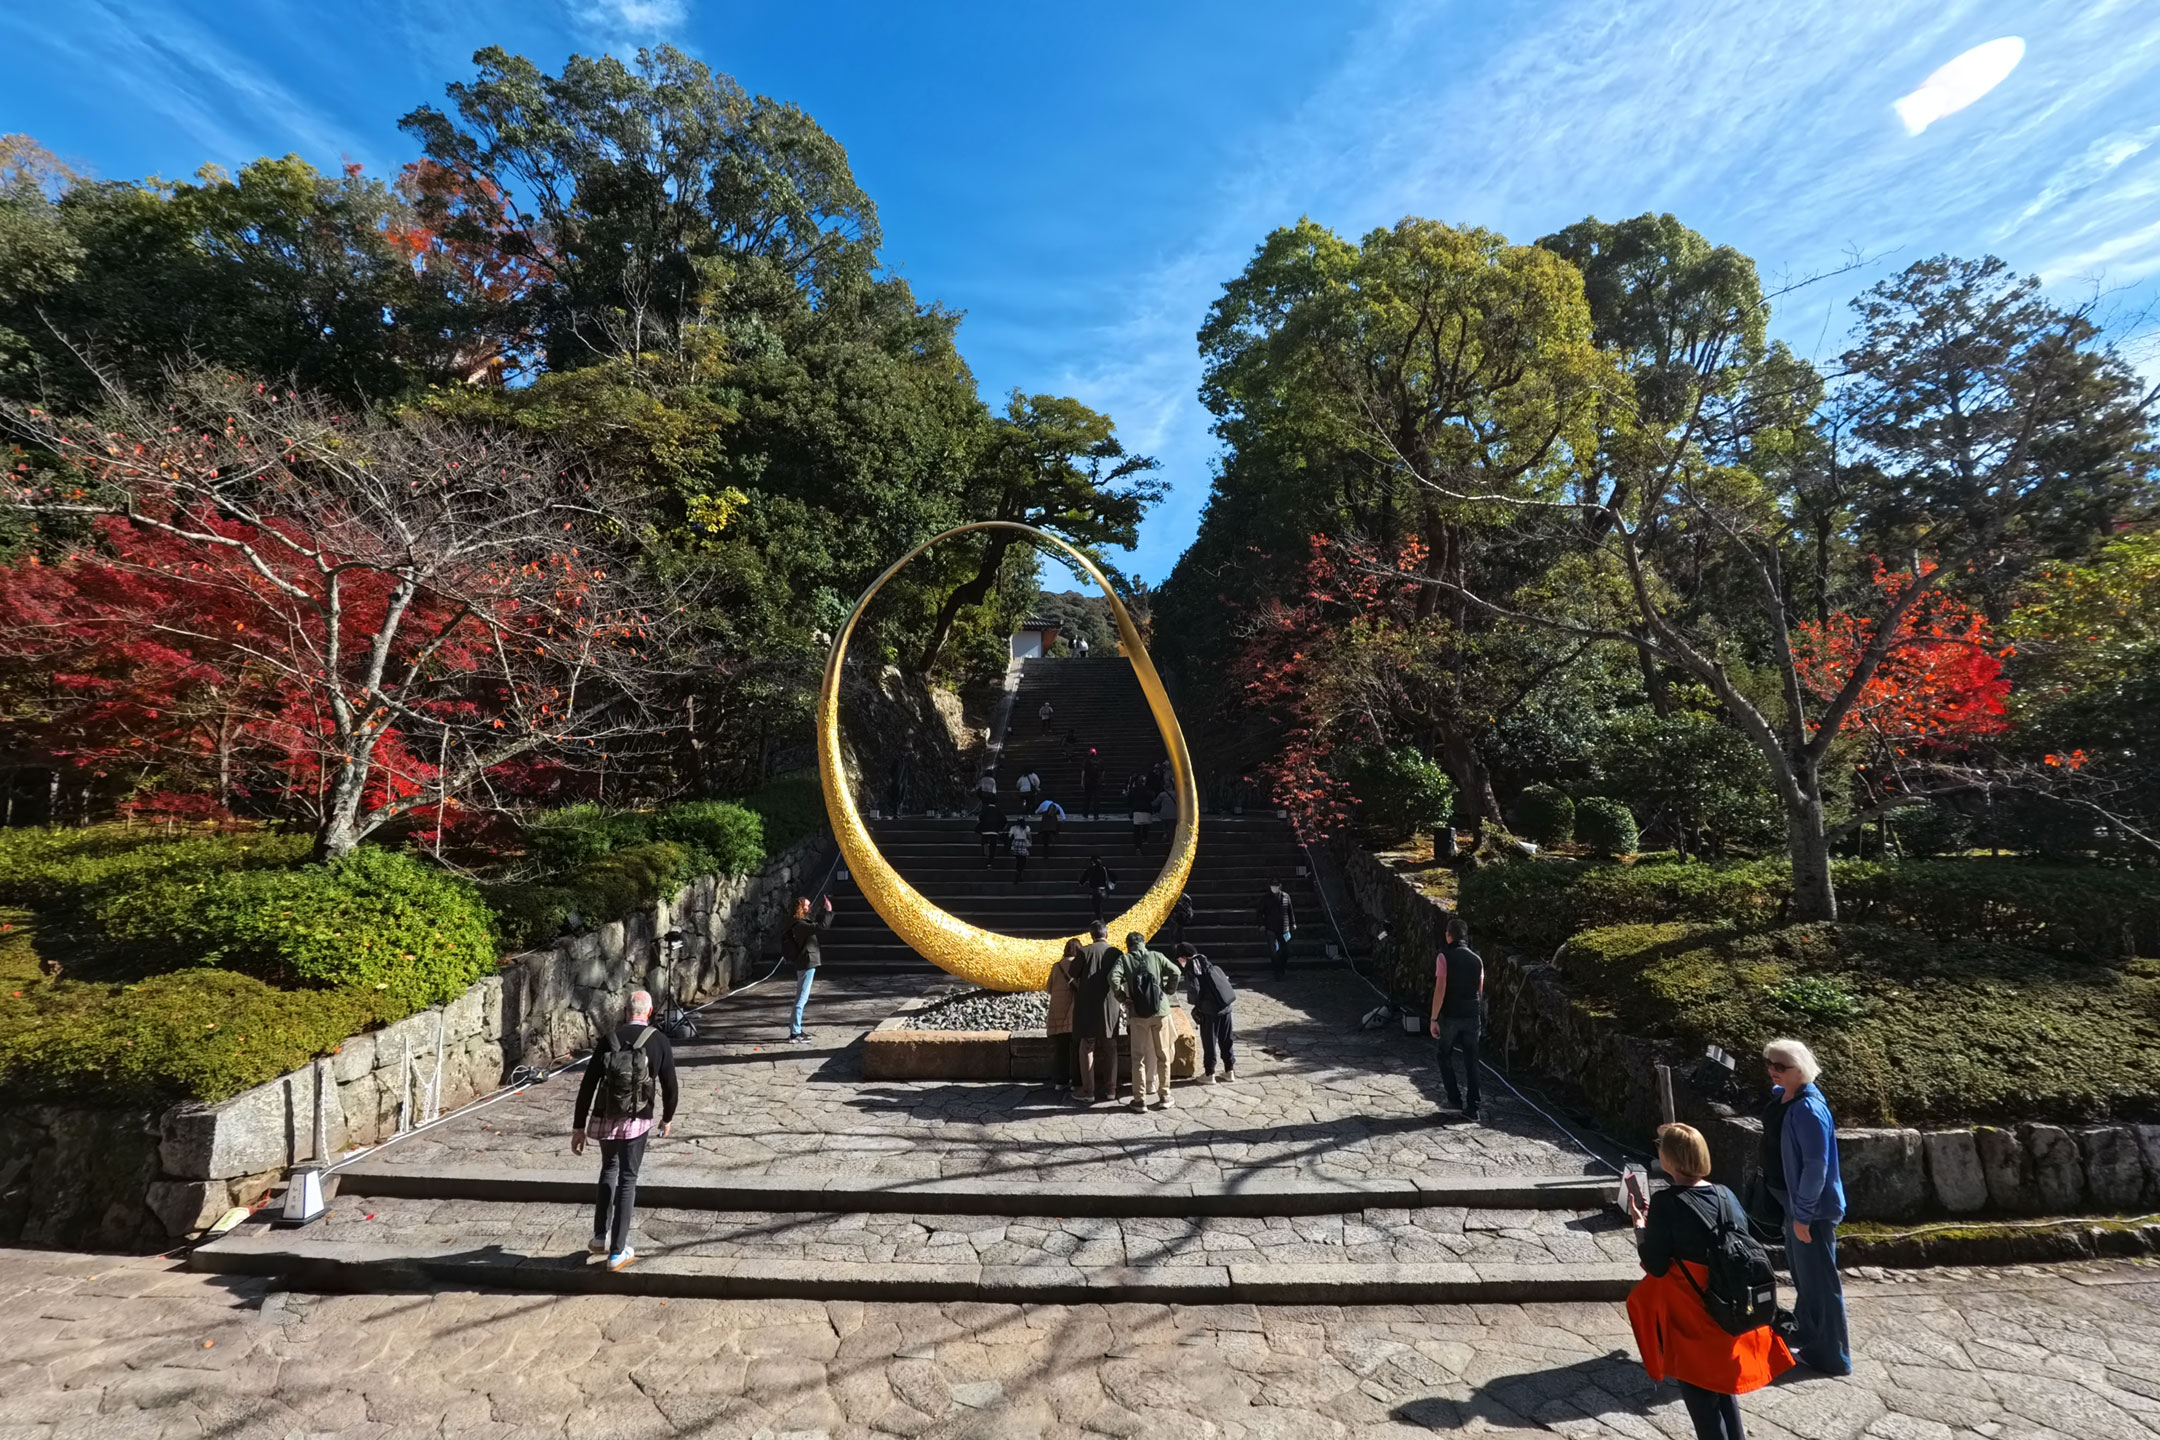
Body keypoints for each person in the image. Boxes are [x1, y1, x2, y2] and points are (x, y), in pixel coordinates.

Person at [1627, 1123, 1793, 1440]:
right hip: (1729, 1308)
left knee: (1702, 1400)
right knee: (1723, 1388)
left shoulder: (1666, 1203)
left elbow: (1655, 1266)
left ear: (1670, 1160)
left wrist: (1640, 1225)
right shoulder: (1726, 1194)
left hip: (1695, 1315)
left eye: (1661, 1146)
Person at [571, 990, 679, 1271]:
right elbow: (670, 1087)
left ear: (624, 1011)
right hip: (638, 1118)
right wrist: (667, 1119)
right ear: (651, 1011)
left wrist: (578, 1126)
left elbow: (588, 1085)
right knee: (628, 1178)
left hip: (606, 1115)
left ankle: (599, 1236)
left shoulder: (609, 1040)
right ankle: (618, 1252)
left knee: (609, 1168)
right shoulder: (659, 1040)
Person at [1764, 1039, 1850, 1376]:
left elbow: (1817, 1167)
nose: (1772, 1069)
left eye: (1781, 1066)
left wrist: (1803, 1215)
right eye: (1769, 1063)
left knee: (1820, 1285)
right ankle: (1809, 1338)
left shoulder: (1809, 1110)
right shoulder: (1785, 1097)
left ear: (1801, 1069)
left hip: (1810, 1211)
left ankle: (1832, 1356)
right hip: (1792, 1204)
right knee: (1805, 1279)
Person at [1115, 929, 1179, 1111]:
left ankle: (1139, 1099)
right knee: (1163, 1055)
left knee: (1138, 1058)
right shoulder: (1156, 956)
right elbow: (1175, 971)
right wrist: (1168, 991)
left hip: (1137, 1014)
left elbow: (1112, 978)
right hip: (1160, 1011)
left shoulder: (1124, 960)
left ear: (1128, 946)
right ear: (1144, 943)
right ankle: (1165, 1095)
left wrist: (1122, 998)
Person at [1427, 915, 1484, 1121]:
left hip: (1451, 1014)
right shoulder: (1477, 959)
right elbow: (1480, 990)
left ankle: (1454, 1099)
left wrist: (1434, 1018)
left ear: (1448, 935)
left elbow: (1440, 989)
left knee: (1444, 1054)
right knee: (1472, 1060)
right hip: (1472, 1014)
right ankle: (1473, 1107)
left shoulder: (1444, 957)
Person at [1073, 921, 1123, 1103]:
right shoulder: (1116, 953)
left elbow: (1073, 971)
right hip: (1111, 1006)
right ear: (1106, 934)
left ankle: (1088, 1091)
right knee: (1111, 1047)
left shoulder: (1084, 952)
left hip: (1088, 1007)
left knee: (1087, 1046)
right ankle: (1111, 1090)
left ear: (1091, 935)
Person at [1179, 942, 1236, 1082]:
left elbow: (1194, 991)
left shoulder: (1192, 967)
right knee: (1226, 1039)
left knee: (1209, 1041)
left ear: (1184, 957)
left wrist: (1196, 1004)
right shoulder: (1206, 961)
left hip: (1210, 1011)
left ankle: (1210, 1074)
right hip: (1225, 1007)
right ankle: (1230, 1070)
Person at [781, 894, 833, 1042]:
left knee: (800, 997)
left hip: (805, 963)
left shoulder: (799, 923)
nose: (810, 907)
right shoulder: (800, 925)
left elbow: (816, 926)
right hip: (806, 963)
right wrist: (828, 911)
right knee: (801, 999)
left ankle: (795, 1029)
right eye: (807, 905)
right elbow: (821, 927)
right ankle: (795, 1033)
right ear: (801, 908)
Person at [1046, 938, 1080, 1093]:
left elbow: (1049, 988)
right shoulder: (1078, 966)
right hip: (1073, 1010)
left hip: (1056, 1011)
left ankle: (1060, 1082)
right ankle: (1076, 1082)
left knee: (1060, 1048)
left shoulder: (1056, 966)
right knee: (1076, 1048)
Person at [1258, 880, 1296, 980]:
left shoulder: (1286, 897)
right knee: (1273, 951)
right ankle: (1277, 971)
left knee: (1286, 951)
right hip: (1271, 928)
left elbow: (1290, 911)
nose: (1274, 888)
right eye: (1272, 885)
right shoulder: (1265, 898)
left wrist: (1293, 923)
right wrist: (1261, 924)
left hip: (1284, 928)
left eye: (1276, 886)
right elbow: (1260, 912)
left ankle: (1282, 968)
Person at [1079, 854, 1117, 920]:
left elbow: (1083, 880)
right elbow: (1114, 877)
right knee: (1100, 903)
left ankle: (1099, 918)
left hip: (1095, 891)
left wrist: (1081, 883)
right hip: (1104, 891)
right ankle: (1101, 917)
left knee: (1096, 904)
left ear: (1092, 862)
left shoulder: (1090, 870)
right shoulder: (1104, 869)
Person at [976, 798, 1006, 867]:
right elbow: (1004, 820)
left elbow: (981, 818)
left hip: (985, 831)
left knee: (985, 841)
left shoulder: (985, 810)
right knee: (992, 848)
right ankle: (989, 862)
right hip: (994, 832)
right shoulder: (998, 810)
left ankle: (984, 850)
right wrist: (999, 828)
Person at [1129, 776, 1153, 855]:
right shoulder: (1147, 789)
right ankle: (1144, 840)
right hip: (1146, 810)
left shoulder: (1134, 789)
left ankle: (1138, 847)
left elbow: (1130, 799)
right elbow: (1151, 797)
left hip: (1137, 810)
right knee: (1145, 827)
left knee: (1137, 829)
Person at [1007, 815, 1033, 884]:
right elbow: (1029, 835)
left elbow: (1009, 836)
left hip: (1016, 843)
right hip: (1023, 843)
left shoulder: (1013, 828)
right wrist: (1030, 842)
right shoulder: (1026, 827)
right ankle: (1019, 872)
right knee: (1023, 859)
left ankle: (1018, 872)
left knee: (1018, 859)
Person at [1082, 749, 1104, 819]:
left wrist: (1082, 781)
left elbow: (1083, 771)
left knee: (1087, 798)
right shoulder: (1100, 760)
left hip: (1088, 781)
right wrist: (1101, 779)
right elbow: (1103, 771)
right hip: (1097, 782)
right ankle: (1096, 814)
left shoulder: (1086, 760)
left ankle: (1085, 813)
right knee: (1096, 799)